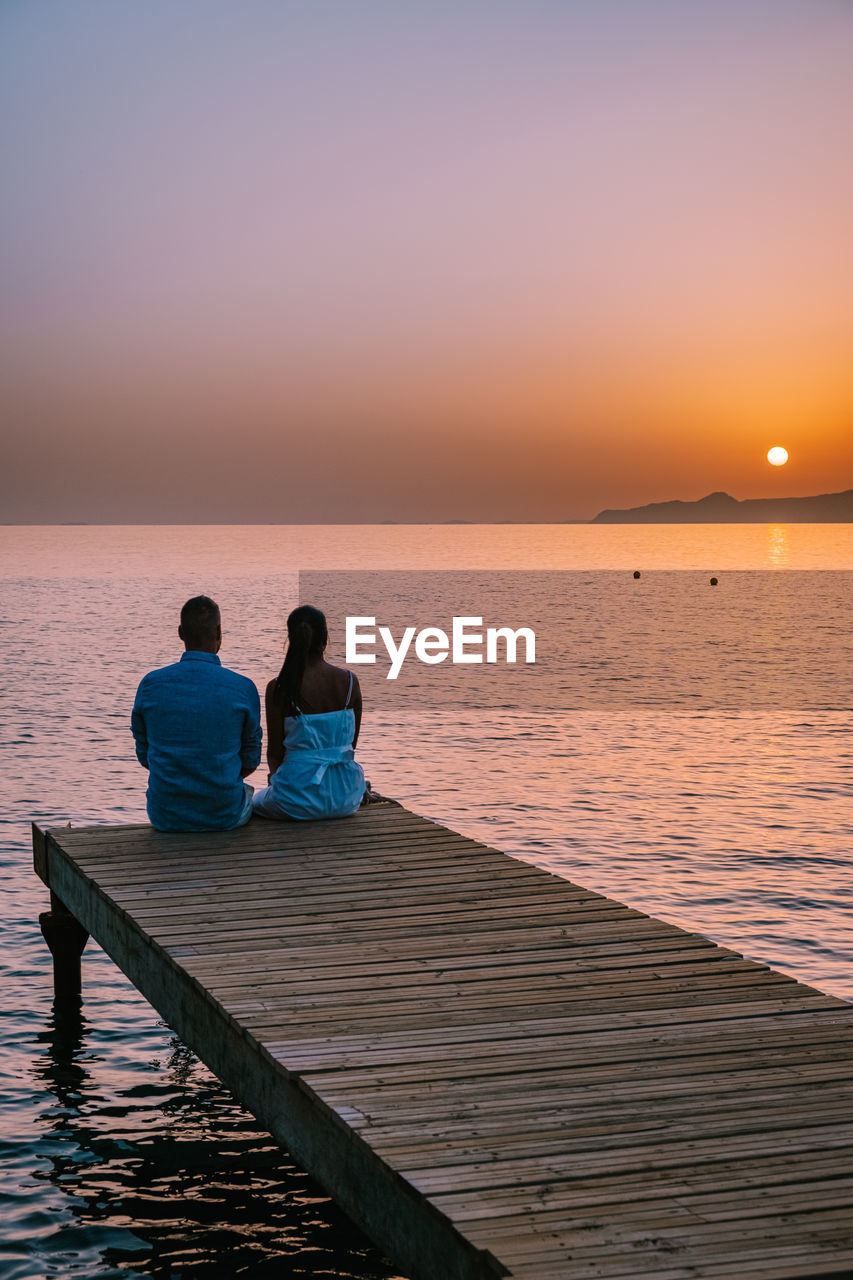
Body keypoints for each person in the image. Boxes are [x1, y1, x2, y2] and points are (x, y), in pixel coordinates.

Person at [131, 595, 262, 831]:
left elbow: (145, 756)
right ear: (219, 632)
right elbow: (251, 761)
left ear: (180, 632)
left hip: (165, 816)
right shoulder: (243, 688)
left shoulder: (150, 684)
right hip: (224, 814)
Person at [252, 605, 365, 821]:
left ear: (292, 640)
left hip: (296, 798)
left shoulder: (279, 687)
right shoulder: (350, 682)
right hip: (346, 796)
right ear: (325, 639)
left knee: (254, 801)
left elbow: (275, 753)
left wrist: (276, 782)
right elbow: (351, 746)